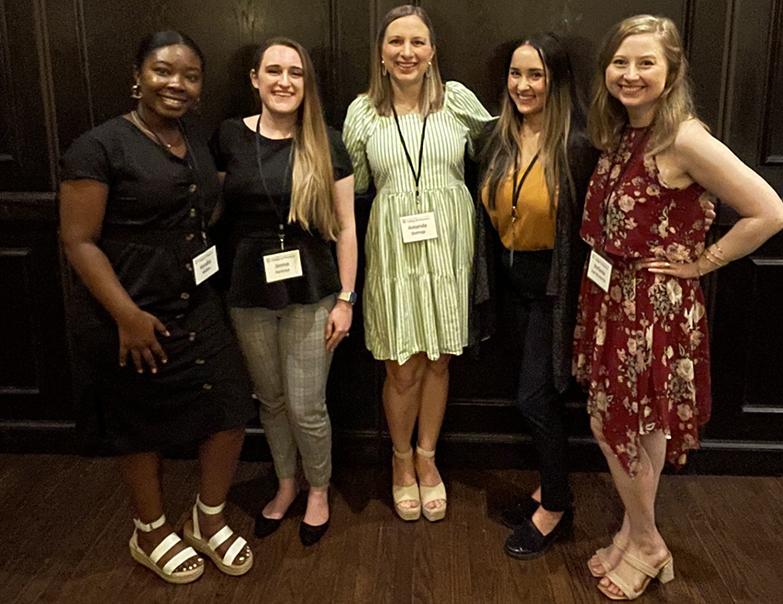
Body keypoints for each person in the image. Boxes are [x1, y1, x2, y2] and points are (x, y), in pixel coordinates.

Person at [573, 15, 783, 600]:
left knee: (618, 424)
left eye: (646, 63)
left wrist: (701, 263)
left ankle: (645, 542)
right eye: (621, 62)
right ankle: (633, 531)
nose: (631, 74)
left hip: (651, 309)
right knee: (637, 428)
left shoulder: (684, 137)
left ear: (671, 72)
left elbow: (770, 212)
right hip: (612, 299)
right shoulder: (623, 129)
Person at [59, 31, 255, 583]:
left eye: (190, 76)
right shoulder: (97, 147)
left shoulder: (193, 139)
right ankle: (149, 530)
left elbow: (198, 208)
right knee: (138, 424)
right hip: (128, 312)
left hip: (196, 302)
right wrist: (125, 315)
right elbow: (78, 240)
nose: (177, 84)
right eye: (164, 71)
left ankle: (207, 517)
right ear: (137, 76)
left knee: (231, 405)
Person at [343, 4, 493, 522]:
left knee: (438, 359)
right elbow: (355, 186)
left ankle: (429, 459)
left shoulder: (458, 103)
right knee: (401, 365)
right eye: (395, 42)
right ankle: (400, 459)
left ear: (432, 52)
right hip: (393, 251)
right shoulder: (362, 112)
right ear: (381, 54)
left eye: (417, 42)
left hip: (451, 251)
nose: (406, 52)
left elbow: (504, 146)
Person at [214, 37, 356, 546]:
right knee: (270, 401)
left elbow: (346, 227)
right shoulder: (230, 136)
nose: (284, 81)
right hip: (247, 291)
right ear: (255, 79)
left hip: (313, 289)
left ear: (306, 84)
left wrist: (347, 298)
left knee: (305, 404)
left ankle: (318, 489)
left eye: (295, 73)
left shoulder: (325, 140)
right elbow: (213, 209)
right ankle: (286, 483)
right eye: (273, 71)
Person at [477, 33, 597, 558]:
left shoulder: (577, 146)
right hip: (508, 284)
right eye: (516, 74)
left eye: (536, 75)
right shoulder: (494, 138)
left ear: (557, 82)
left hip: (554, 287)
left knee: (536, 397)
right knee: (529, 395)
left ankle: (556, 506)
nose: (523, 85)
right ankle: (548, 488)